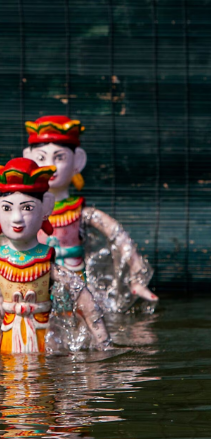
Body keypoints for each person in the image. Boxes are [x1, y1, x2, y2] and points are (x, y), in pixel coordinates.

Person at [0, 158, 111, 354]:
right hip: (8, 341)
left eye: (27, 208)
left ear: (46, 208)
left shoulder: (48, 266)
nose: (16, 218)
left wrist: (103, 344)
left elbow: (84, 301)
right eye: (7, 208)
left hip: (46, 342)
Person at [23, 115, 157, 312]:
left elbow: (118, 235)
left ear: (78, 161)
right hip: (34, 285)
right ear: (28, 159)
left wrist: (136, 276)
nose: (50, 166)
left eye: (59, 158)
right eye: (41, 158)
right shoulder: (26, 212)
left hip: (74, 286)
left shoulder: (81, 213)